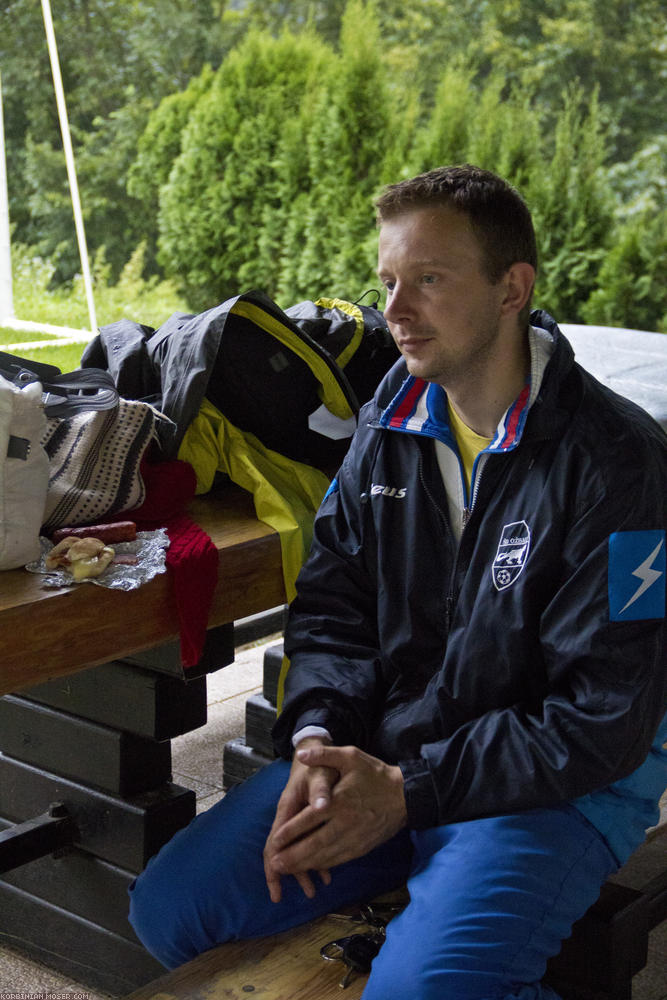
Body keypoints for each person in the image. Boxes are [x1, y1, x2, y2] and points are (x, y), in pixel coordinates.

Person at [129, 165, 667, 1000]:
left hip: (553, 790)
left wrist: (405, 792)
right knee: (175, 910)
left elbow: (600, 720)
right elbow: (335, 604)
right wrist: (314, 736)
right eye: (387, 281)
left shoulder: (619, 461)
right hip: (394, 753)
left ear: (510, 288)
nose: (395, 311)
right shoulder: (391, 414)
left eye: (428, 279)